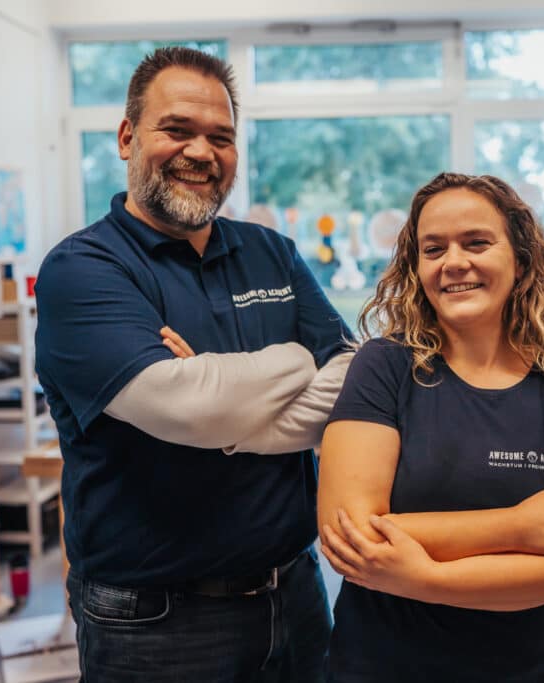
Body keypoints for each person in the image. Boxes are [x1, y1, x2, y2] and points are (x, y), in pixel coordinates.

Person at [34, 46, 353, 682]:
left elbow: (352, 376)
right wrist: (292, 360)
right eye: (177, 129)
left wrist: (219, 398)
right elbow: (186, 405)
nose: (201, 152)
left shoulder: (272, 252)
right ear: (128, 138)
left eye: (221, 137)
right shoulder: (83, 270)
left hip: (294, 594)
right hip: (153, 624)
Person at [317, 172, 544, 682]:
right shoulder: (384, 367)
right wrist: (518, 528)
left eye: (476, 242)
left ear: (520, 260)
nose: (454, 262)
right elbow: (350, 535)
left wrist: (421, 575)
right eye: (434, 249)